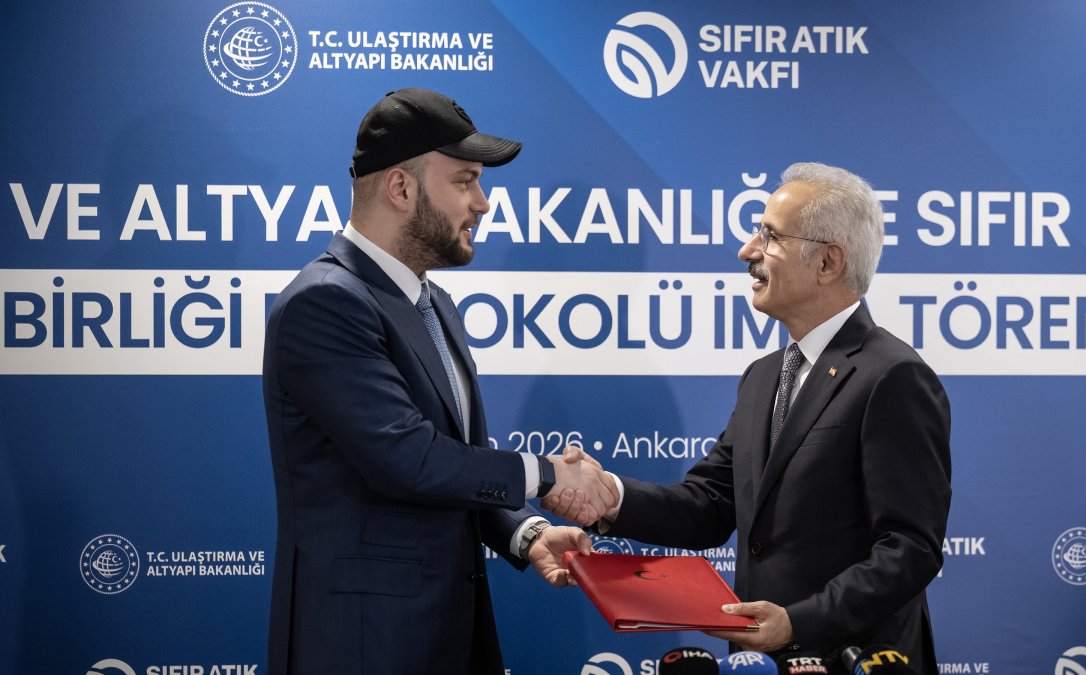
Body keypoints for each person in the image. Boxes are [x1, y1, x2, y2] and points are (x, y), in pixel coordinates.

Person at [262, 88, 617, 675]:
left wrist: (526, 534)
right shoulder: (324, 302)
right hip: (362, 646)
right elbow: (408, 458)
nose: (481, 203)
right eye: (465, 181)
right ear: (400, 188)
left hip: (449, 634)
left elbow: (460, 464)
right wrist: (547, 475)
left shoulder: (436, 303)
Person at [547, 163, 952, 674]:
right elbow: (711, 504)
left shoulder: (893, 375)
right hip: (758, 663)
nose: (747, 251)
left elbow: (910, 548)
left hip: (859, 661)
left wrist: (797, 621)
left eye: (770, 236)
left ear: (828, 262)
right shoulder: (763, 376)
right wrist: (610, 495)